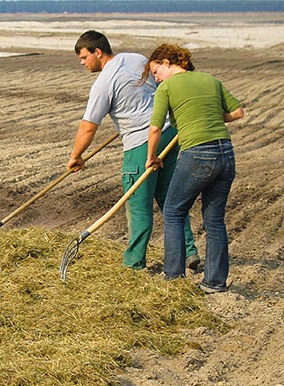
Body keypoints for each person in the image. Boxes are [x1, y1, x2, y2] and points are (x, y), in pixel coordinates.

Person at [66, 30, 200, 272]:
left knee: (138, 204)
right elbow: (157, 89)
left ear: (98, 52)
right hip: (168, 133)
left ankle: (133, 264)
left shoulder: (104, 82)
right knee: (170, 198)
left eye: (84, 57)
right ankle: (189, 251)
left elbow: (88, 128)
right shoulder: (137, 59)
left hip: (141, 143)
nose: (82, 63)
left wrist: (76, 157)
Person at [145, 44, 244, 293]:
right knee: (214, 220)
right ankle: (214, 282)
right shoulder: (210, 80)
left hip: (198, 154)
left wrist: (152, 157)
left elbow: (155, 128)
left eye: (156, 71)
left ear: (167, 62)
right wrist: (207, 115)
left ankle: (174, 279)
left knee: (173, 211)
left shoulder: (166, 87)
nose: (155, 78)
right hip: (226, 154)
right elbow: (237, 112)